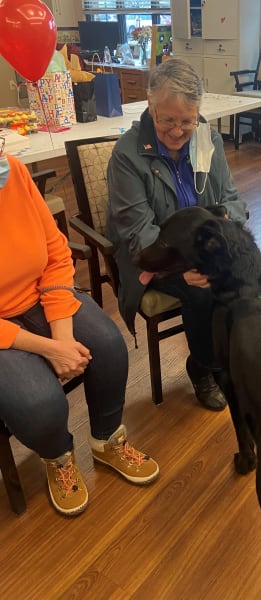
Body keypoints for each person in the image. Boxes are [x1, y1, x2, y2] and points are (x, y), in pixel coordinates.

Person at [0, 149, 159, 517]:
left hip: (38, 293)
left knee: (109, 346)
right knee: (39, 404)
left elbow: (55, 253)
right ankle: (57, 457)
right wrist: (50, 348)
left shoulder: (14, 172)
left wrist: (63, 336)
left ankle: (106, 440)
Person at [106, 58, 247, 411]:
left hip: (202, 248)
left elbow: (231, 198)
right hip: (154, 258)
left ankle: (225, 358)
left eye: (187, 120)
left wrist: (228, 228)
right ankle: (204, 369)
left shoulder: (207, 139)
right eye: (167, 119)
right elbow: (139, 234)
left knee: (244, 276)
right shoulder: (127, 155)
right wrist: (182, 269)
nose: (176, 131)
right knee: (202, 291)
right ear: (150, 105)